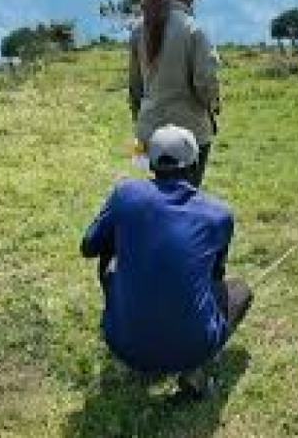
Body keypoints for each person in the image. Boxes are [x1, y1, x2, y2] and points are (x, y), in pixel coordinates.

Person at [81, 125, 252, 400]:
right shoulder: (219, 214)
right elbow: (216, 275)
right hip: (193, 348)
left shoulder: (126, 194)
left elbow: (89, 246)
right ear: (195, 162)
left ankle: (138, 329)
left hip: (123, 344)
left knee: (111, 264)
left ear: (151, 163)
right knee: (240, 290)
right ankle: (193, 369)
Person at [129, 0, 221, 187]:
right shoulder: (194, 30)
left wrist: (141, 122)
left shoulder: (139, 28)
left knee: (149, 193)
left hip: (146, 132)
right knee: (186, 198)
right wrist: (212, 106)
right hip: (190, 134)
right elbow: (206, 85)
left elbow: (135, 88)